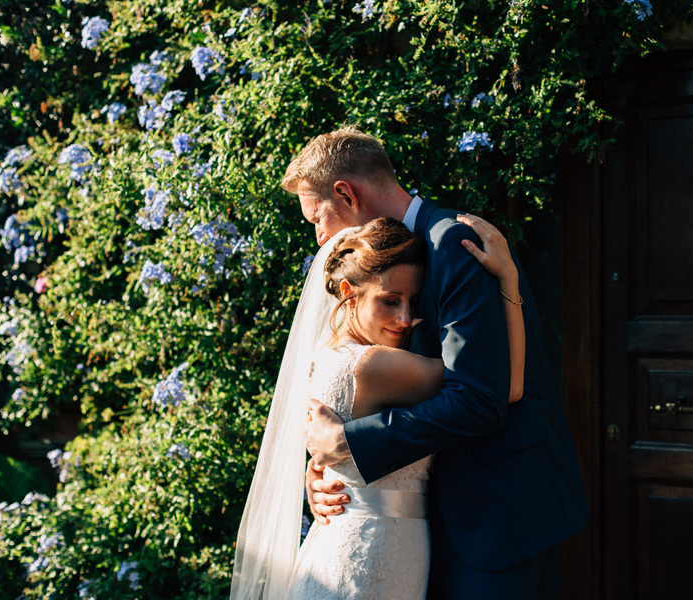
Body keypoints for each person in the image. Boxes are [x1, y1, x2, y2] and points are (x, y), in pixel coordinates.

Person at [291, 126, 589, 599]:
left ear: (345, 193)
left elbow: (480, 396)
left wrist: (351, 445)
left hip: (495, 512)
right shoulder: (384, 261)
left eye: (316, 217)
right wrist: (332, 474)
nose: (319, 235)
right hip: (421, 520)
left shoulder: (452, 243)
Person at [230, 216, 524, 600]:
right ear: (349, 293)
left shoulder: (329, 356)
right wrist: (509, 284)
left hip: (355, 549)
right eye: (389, 301)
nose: (405, 319)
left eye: (414, 302)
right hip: (368, 560)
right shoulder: (374, 365)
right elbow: (504, 388)